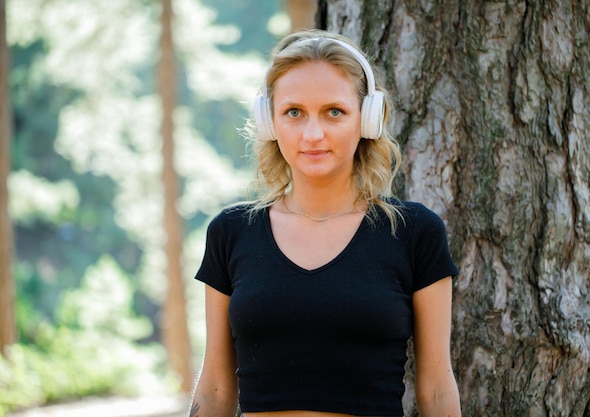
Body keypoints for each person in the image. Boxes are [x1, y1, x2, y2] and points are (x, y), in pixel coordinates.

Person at [189, 29, 462, 417]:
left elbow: (435, 389)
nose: (313, 134)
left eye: (334, 111)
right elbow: (216, 388)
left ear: (366, 120)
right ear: (269, 122)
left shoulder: (415, 232)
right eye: (293, 112)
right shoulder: (231, 232)